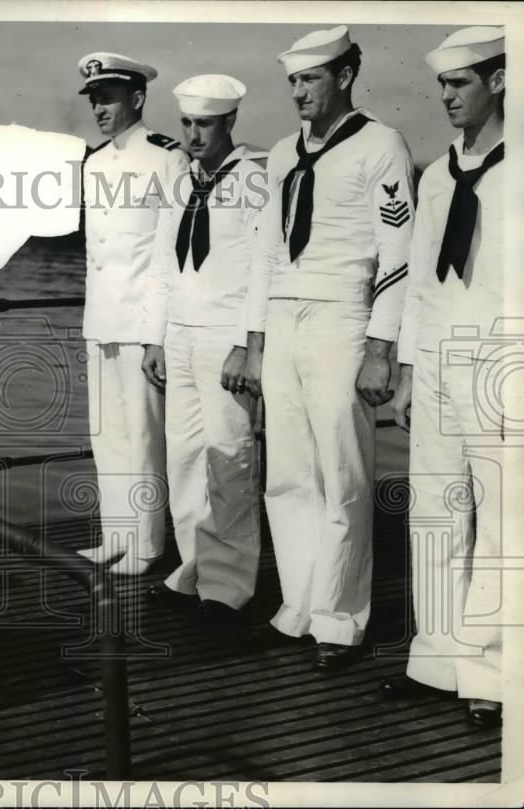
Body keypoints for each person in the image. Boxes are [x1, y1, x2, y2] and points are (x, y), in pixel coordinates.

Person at [245, 26, 415, 670]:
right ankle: (298, 607)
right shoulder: (285, 151)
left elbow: (397, 253)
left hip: (343, 315)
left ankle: (341, 621)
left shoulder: (381, 145)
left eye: (310, 79)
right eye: (292, 80)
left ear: (344, 76)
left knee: (342, 472)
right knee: (288, 473)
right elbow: (266, 248)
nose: (297, 93)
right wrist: (254, 340)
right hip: (284, 317)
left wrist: (382, 345)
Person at [381, 27, 506, 728]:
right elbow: (423, 284)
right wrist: (406, 370)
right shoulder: (436, 177)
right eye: (441, 86)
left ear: (499, 82)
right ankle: (436, 658)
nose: (445, 98)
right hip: (435, 365)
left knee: (500, 524)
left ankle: (489, 673)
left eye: (459, 84)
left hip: (501, 363)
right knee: (435, 511)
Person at [141, 75, 266, 622]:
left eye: (205, 124)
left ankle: (229, 585)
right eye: (187, 123)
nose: (193, 135)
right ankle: (192, 567)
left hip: (225, 337)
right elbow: (163, 269)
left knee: (230, 459)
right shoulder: (178, 182)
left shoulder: (257, 180)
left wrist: (248, 344)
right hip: (181, 335)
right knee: (186, 457)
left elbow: (264, 268)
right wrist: (156, 338)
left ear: (230, 122)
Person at [75, 52, 189, 576]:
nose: (99, 107)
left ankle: (146, 545)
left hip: (143, 319)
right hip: (101, 317)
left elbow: (169, 254)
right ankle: (114, 537)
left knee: (144, 435)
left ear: (137, 99)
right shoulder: (94, 162)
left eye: (108, 97)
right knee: (107, 434)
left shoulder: (167, 158)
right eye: (94, 98)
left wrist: (155, 336)